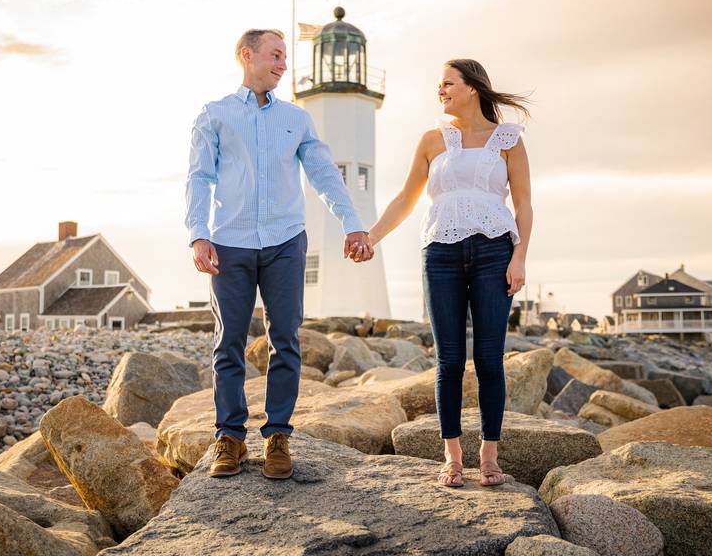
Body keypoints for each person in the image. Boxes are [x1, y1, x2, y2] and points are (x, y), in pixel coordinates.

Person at [185, 28, 373, 480]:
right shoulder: (215, 115)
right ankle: (229, 438)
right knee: (228, 342)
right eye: (275, 55)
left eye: (286, 56)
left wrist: (353, 223)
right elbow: (199, 179)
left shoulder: (296, 118)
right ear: (247, 56)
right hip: (230, 241)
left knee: (285, 340)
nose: (284, 63)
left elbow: (324, 173)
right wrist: (198, 234)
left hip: (286, 241)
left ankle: (277, 438)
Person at [357, 59, 532, 487]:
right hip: (441, 252)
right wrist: (371, 237)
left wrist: (520, 256)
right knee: (449, 360)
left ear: (472, 88)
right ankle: (452, 458)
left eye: (448, 83)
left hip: (494, 251)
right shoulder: (432, 140)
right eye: (439, 85)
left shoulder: (508, 139)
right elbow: (405, 198)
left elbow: (524, 204)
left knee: (489, 360)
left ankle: (489, 456)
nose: (441, 91)